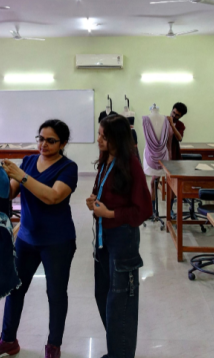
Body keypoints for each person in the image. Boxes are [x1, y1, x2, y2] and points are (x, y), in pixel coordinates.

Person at [0, 120, 80, 358]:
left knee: (56, 294)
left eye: (50, 141)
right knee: (15, 289)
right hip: (26, 239)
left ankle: (53, 346)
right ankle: (8, 340)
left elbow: (53, 196)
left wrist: (22, 176)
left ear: (63, 143)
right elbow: (10, 192)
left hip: (57, 241)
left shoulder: (68, 168)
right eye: (41, 138)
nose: (43, 144)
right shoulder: (28, 161)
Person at [86, 114, 152, 358]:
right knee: (103, 295)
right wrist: (94, 202)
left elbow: (144, 210)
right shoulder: (105, 160)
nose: (99, 140)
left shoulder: (131, 164)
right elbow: (105, 194)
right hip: (104, 238)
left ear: (117, 138)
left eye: (104, 136)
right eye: (99, 134)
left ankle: (121, 354)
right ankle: (117, 350)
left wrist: (110, 213)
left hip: (122, 239)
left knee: (120, 302)